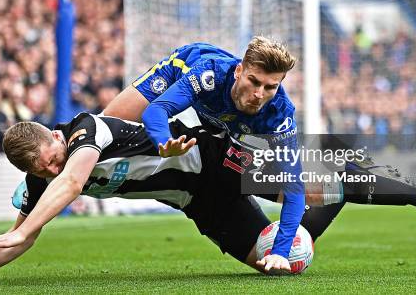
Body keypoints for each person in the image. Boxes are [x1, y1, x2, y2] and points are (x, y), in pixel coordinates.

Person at [0, 112, 416, 282]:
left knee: (311, 171)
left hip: (214, 160)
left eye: (51, 159)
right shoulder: (40, 177)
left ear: (56, 139)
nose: (51, 169)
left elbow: (73, 182)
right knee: (291, 260)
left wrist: (26, 225)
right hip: (197, 200)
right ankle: (331, 196)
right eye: (41, 171)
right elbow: (19, 236)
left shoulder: (86, 132)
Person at [103, 37, 304, 269]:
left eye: (270, 87)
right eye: (254, 81)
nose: (259, 94)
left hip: (220, 122)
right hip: (178, 73)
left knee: (303, 187)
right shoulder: (210, 75)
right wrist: (165, 141)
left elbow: (294, 185)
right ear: (239, 71)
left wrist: (280, 252)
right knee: (107, 126)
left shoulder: (279, 113)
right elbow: (157, 109)